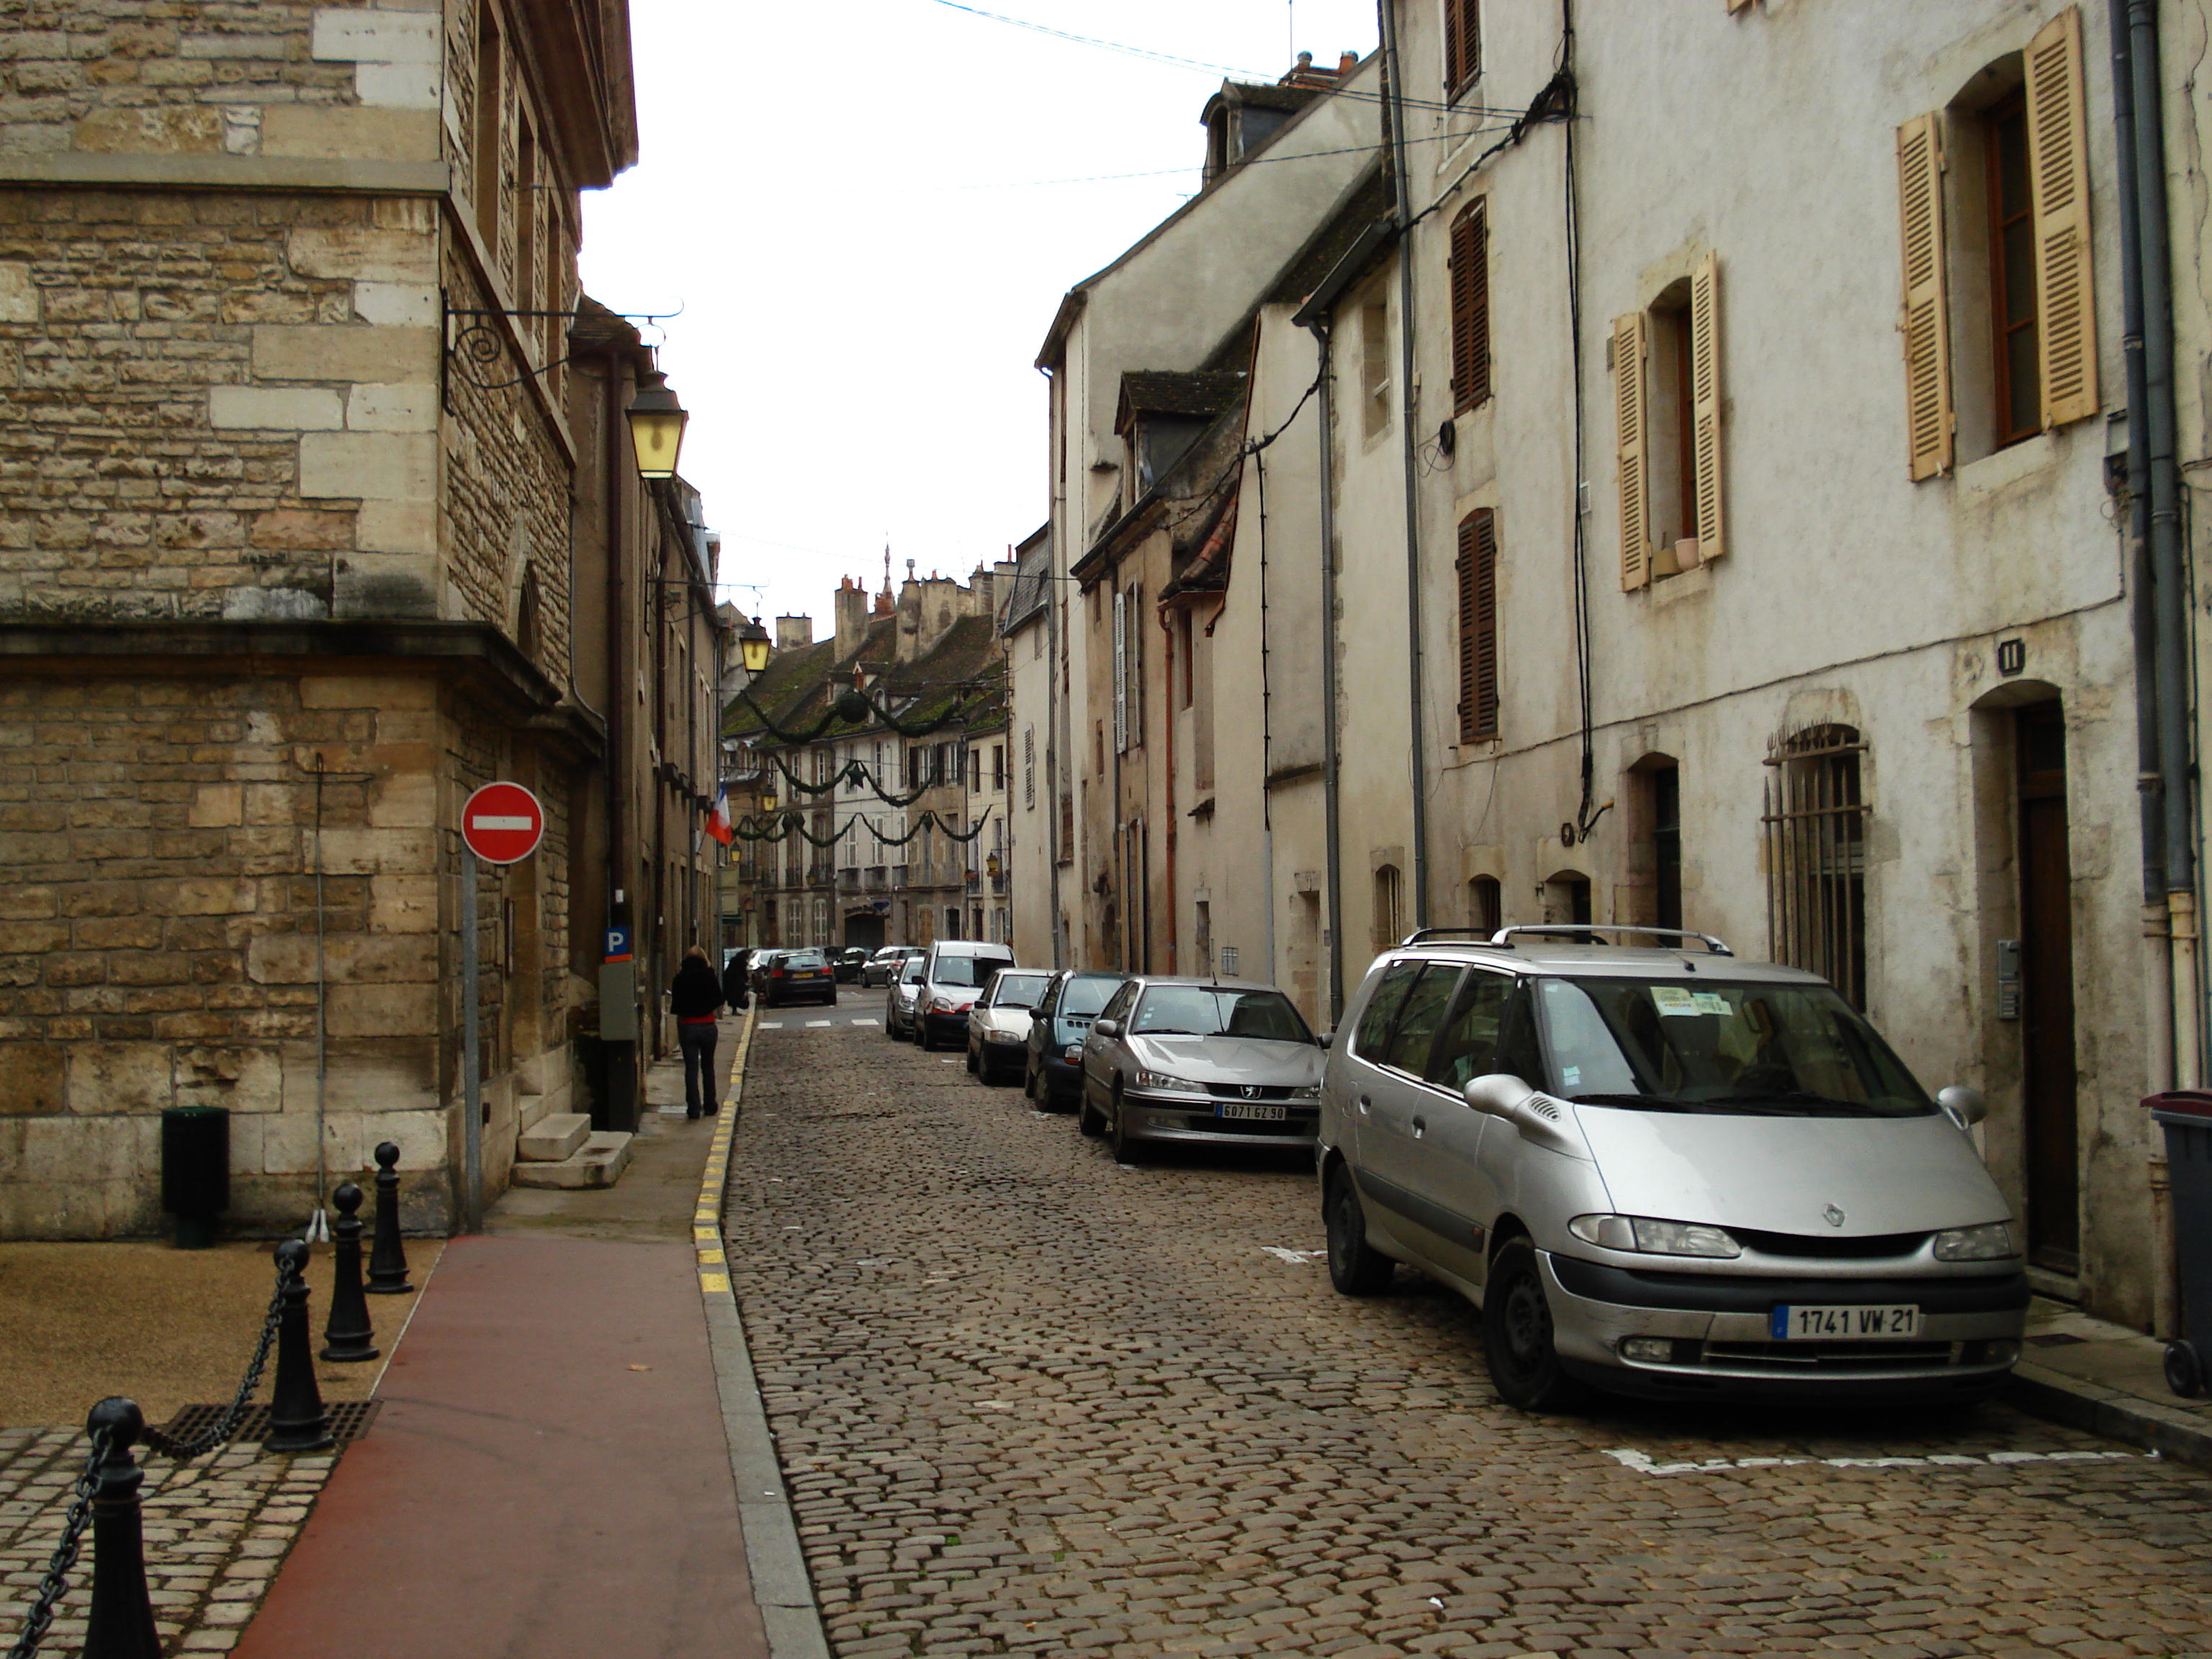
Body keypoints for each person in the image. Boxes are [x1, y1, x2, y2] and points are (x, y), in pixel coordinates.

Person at [669, 945, 724, 1119]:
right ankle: (710, 1105)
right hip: (708, 1025)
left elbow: (676, 1005)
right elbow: (719, 999)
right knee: (708, 1067)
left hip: (688, 1026)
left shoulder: (680, 978)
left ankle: (694, 1108)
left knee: (691, 1070)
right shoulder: (709, 976)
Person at [721, 947, 750, 1012]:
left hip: (729, 979)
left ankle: (728, 1008)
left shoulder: (734, 960)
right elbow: (743, 971)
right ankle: (734, 1010)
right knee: (737, 996)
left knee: (729, 995)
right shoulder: (742, 961)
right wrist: (746, 979)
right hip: (737, 981)